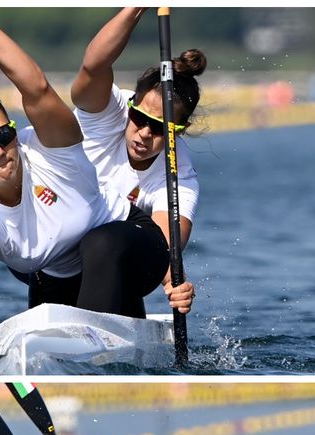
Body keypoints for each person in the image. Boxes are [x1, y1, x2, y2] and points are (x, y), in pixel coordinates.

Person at [0, 8, 191, 324]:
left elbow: (36, 88)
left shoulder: (51, 150)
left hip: (133, 245)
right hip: (57, 273)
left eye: (4, 135)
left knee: (99, 244)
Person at [72, 8, 201, 309]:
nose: (143, 133)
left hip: (119, 258)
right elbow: (94, 64)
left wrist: (173, 282)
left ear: (180, 131)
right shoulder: (109, 112)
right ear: (130, 105)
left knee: (104, 241)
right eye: (139, 117)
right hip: (62, 247)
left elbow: (162, 246)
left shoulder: (180, 175)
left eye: (159, 128)